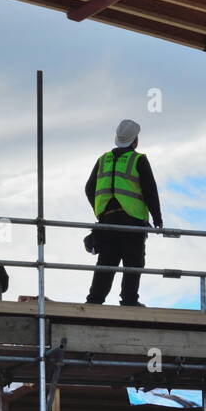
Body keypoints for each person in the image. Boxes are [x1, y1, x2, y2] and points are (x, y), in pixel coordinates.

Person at [84, 119, 163, 307]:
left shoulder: (103, 159)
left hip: (108, 221)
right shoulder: (138, 160)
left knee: (106, 263)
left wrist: (101, 211)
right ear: (135, 140)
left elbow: (89, 188)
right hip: (131, 222)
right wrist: (157, 218)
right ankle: (129, 302)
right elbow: (150, 190)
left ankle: (94, 301)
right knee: (133, 263)